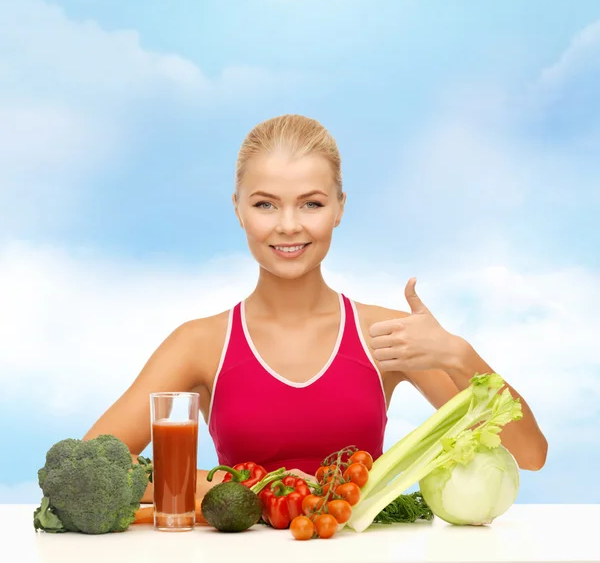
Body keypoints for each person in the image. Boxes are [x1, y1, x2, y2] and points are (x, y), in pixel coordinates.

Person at [84, 114, 548, 503]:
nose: (288, 225)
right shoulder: (200, 343)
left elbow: (528, 454)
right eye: (266, 204)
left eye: (311, 204)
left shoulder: (386, 334)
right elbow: (92, 465)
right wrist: (234, 485)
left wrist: (457, 354)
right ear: (238, 210)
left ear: (339, 208)